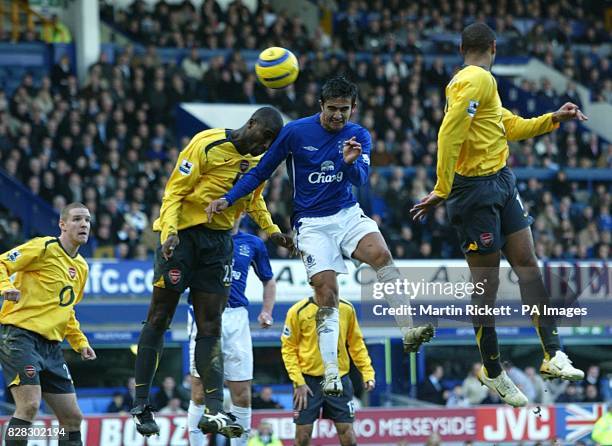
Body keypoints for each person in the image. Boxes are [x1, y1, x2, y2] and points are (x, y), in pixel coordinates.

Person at [208, 76, 434, 397]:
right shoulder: (295, 132)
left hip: (346, 213)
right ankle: (331, 372)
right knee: (327, 290)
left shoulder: (358, 136)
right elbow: (260, 172)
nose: (338, 116)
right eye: (332, 109)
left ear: (353, 108)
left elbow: (361, 179)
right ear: (321, 106)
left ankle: (408, 329)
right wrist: (228, 199)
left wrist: (348, 163)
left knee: (382, 255)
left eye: (344, 109)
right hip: (311, 223)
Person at [410, 22, 587, 407]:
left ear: (461, 47)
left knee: (528, 264)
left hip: (501, 182)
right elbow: (448, 133)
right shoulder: (476, 81)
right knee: (485, 288)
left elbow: (505, 125)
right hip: (472, 193)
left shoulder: (477, 83)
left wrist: (552, 119)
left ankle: (552, 353)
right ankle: (492, 370)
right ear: (493, 46)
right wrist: (442, 187)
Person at [130, 107, 292, 438]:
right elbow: (174, 191)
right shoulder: (206, 143)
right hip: (183, 237)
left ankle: (215, 410)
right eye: (263, 139)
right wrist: (170, 232)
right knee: (159, 317)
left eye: (270, 144)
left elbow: (252, 199)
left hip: (218, 245)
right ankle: (142, 404)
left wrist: (272, 230)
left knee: (210, 325)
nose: (264, 147)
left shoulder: (260, 163)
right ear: (252, 125)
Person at [0, 202, 96, 446]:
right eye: (76, 219)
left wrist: (80, 342)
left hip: (51, 347)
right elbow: (2, 262)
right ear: (62, 224)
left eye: (87, 220)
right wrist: (6, 287)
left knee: (72, 418)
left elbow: (67, 310)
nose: (84, 224)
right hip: (20, 337)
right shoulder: (43, 247)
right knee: (29, 405)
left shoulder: (82, 268)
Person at [187, 216, 278, 446]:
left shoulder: (253, 243)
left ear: (243, 210)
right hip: (204, 314)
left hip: (237, 318)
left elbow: (269, 280)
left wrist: (267, 311)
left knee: (242, 393)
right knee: (198, 391)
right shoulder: (199, 236)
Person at [281, 296, 375, 446]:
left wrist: (367, 372)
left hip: (339, 378)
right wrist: (298, 381)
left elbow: (356, 344)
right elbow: (288, 349)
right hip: (307, 382)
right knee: (302, 436)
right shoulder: (298, 310)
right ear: (314, 283)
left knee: (348, 434)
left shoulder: (346, 308)